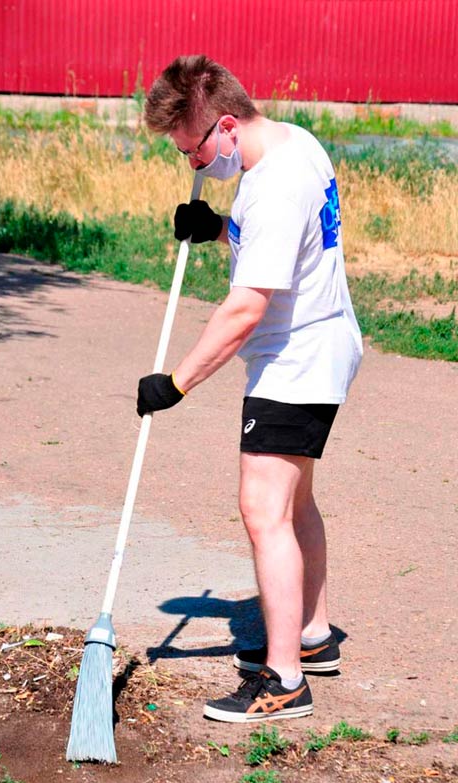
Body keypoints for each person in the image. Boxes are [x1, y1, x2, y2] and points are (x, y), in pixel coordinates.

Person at [137, 55, 363, 723]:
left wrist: (175, 382)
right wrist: (218, 229)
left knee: (262, 509)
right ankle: (313, 636)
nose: (194, 166)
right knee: (293, 503)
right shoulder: (293, 141)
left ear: (227, 126)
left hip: (296, 361)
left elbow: (243, 309)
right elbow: (281, 243)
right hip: (319, 347)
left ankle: (285, 679)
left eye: (194, 150)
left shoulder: (271, 186)